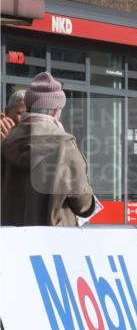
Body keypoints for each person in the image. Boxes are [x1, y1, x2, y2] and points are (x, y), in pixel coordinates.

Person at [1, 73, 97, 226]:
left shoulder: (6, 142)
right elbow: (83, 205)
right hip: (51, 242)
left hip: (12, 242)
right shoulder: (65, 146)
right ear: (55, 111)